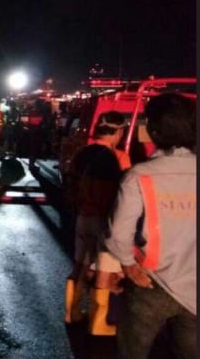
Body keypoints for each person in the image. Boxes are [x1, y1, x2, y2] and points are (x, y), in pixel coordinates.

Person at [105, 93, 196, 359]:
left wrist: (127, 263)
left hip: (150, 281)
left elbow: (118, 234)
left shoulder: (139, 176)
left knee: (132, 351)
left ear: (153, 131)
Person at [63, 111, 131, 335]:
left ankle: (71, 313)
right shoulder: (118, 157)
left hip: (82, 216)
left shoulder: (82, 152)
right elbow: (123, 194)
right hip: (105, 220)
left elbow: (70, 181)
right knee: (105, 269)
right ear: (118, 131)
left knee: (80, 264)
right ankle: (98, 324)